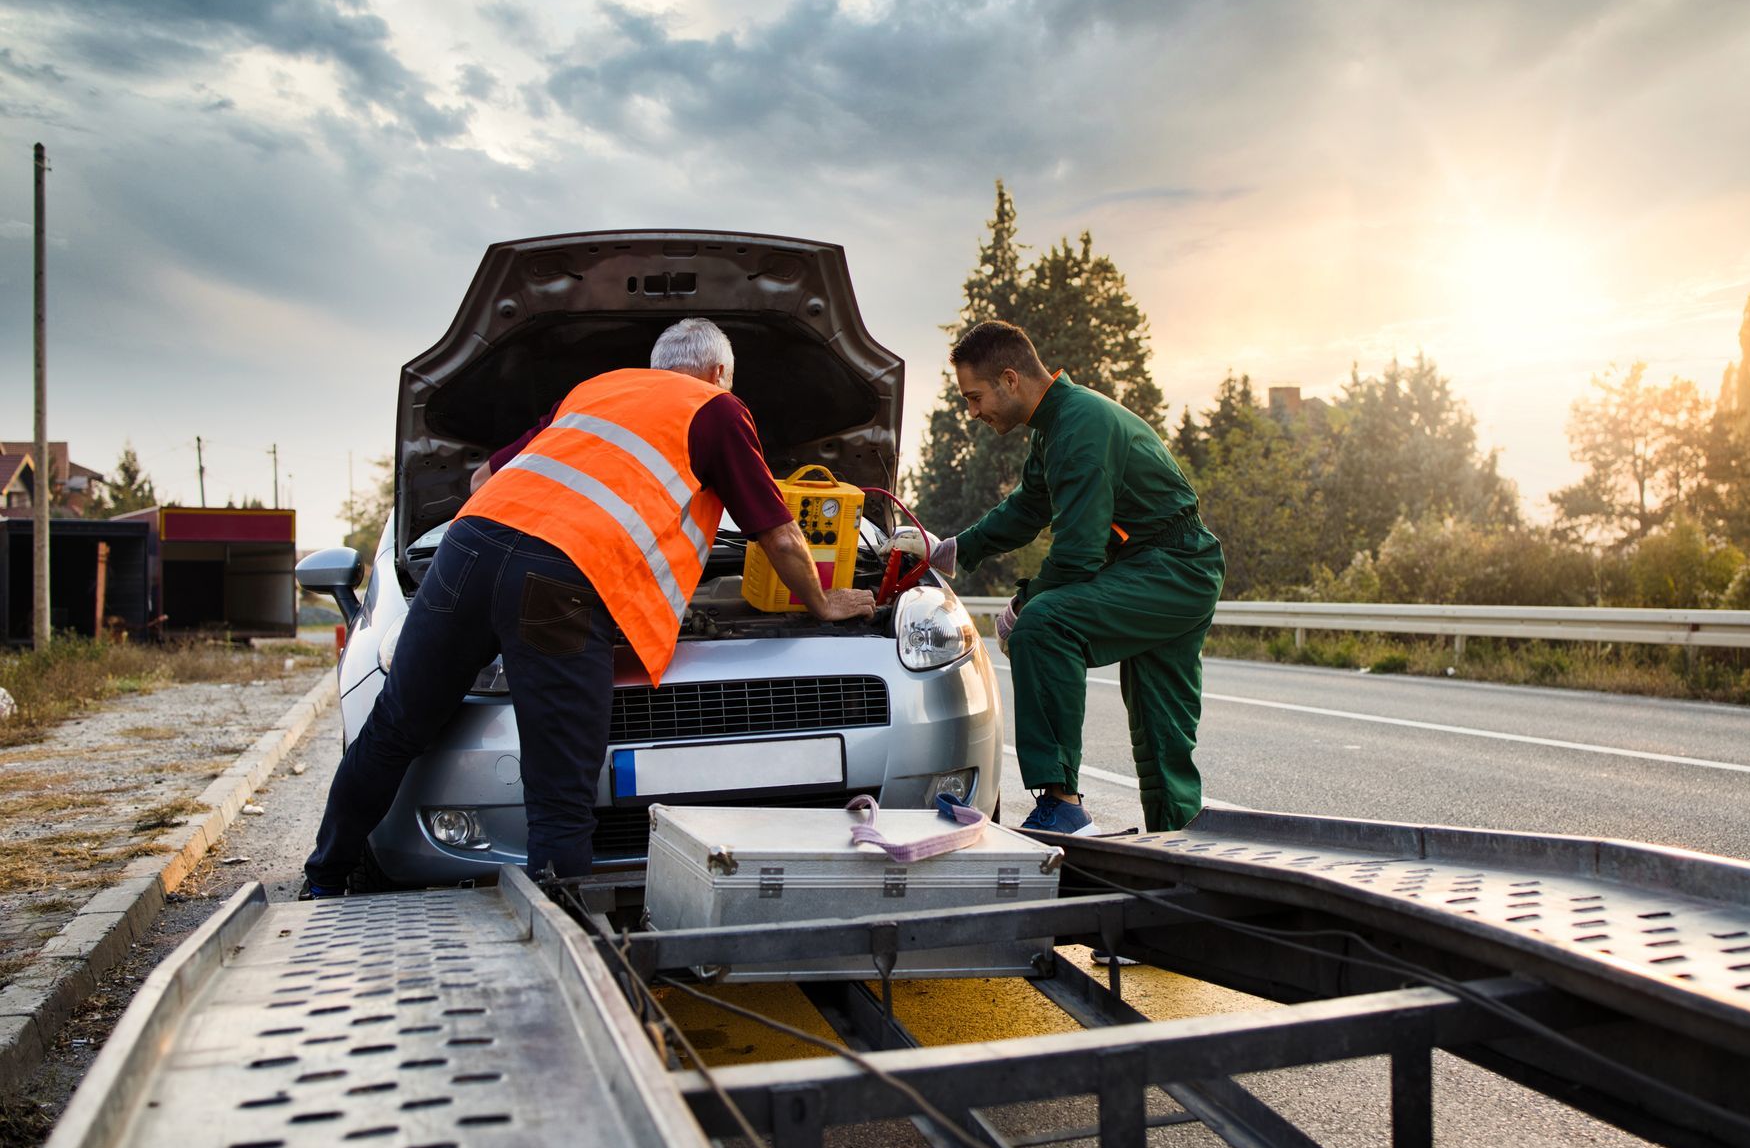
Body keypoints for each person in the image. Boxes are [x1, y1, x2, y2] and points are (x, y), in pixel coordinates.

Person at [301, 318, 876, 896]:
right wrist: (822, 603)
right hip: (559, 579)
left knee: (392, 731)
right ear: (720, 373)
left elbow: (482, 477)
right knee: (559, 795)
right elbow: (777, 534)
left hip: (466, 549)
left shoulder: (593, 391)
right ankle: (558, 944)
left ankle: (323, 879)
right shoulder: (716, 408)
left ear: (655, 367)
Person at [920, 320, 1223, 835]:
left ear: (1010, 379)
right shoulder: (1056, 425)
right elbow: (1026, 508)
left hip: (1172, 568)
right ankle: (1179, 841)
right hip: (1165, 568)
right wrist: (951, 550)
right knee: (1161, 729)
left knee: (1045, 625)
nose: (972, 413)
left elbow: (1078, 555)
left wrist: (1024, 604)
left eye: (975, 397)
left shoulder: (1079, 426)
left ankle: (1062, 804)